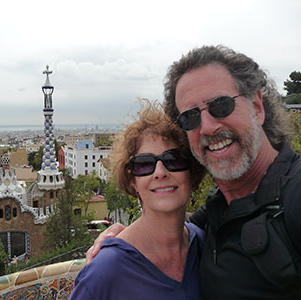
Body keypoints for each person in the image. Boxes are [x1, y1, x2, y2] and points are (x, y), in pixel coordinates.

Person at [87, 45, 301, 299]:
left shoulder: (294, 196)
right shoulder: (214, 216)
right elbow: (171, 225)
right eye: (190, 118)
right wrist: (125, 240)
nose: (208, 127)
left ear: (257, 106)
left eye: (221, 105)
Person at [70, 100, 206, 299]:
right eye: (144, 165)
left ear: (191, 171)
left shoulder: (204, 246)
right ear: (132, 180)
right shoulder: (106, 271)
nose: (160, 172)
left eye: (173, 159)